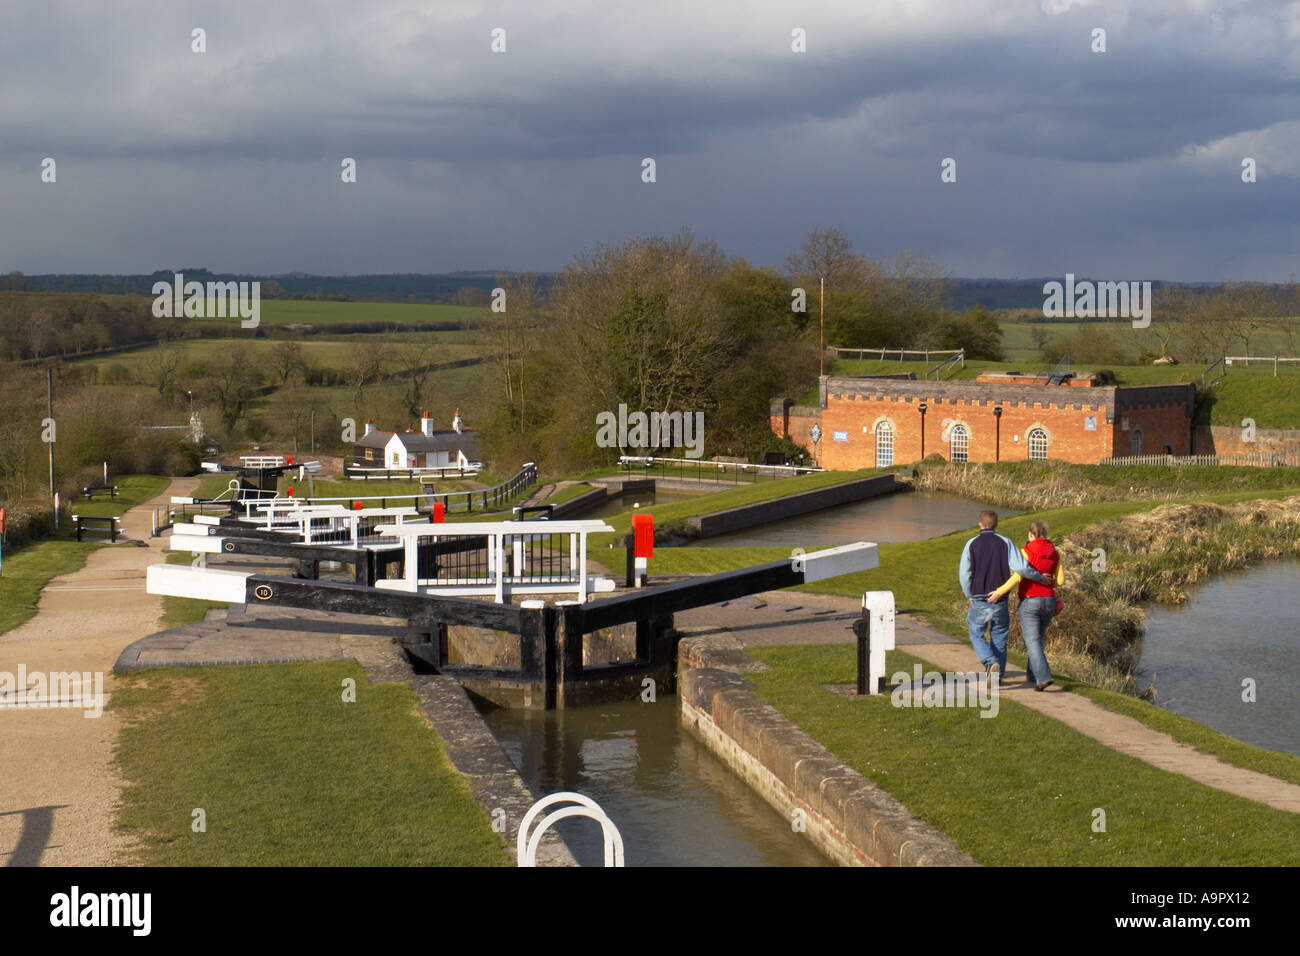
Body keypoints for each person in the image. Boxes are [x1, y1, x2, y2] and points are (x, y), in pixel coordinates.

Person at [958, 510, 1052, 683]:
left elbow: (964, 574)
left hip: (980, 597)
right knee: (1000, 635)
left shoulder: (971, 544)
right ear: (996, 524)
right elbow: (1021, 568)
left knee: (975, 631)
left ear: (980, 524)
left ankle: (989, 661)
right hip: (1000, 598)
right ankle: (997, 676)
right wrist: (1039, 577)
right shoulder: (1005, 543)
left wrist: (968, 593)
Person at [989, 520, 1063, 691]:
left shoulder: (1026, 552)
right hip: (1049, 601)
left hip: (1030, 601)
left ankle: (1043, 677)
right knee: (1038, 639)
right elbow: (1060, 581)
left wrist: (999, 592)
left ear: (1030, 535)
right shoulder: (1055, 553)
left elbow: (1017, 577)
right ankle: (1033, 675)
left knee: (1032, 641)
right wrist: (1047, 580)